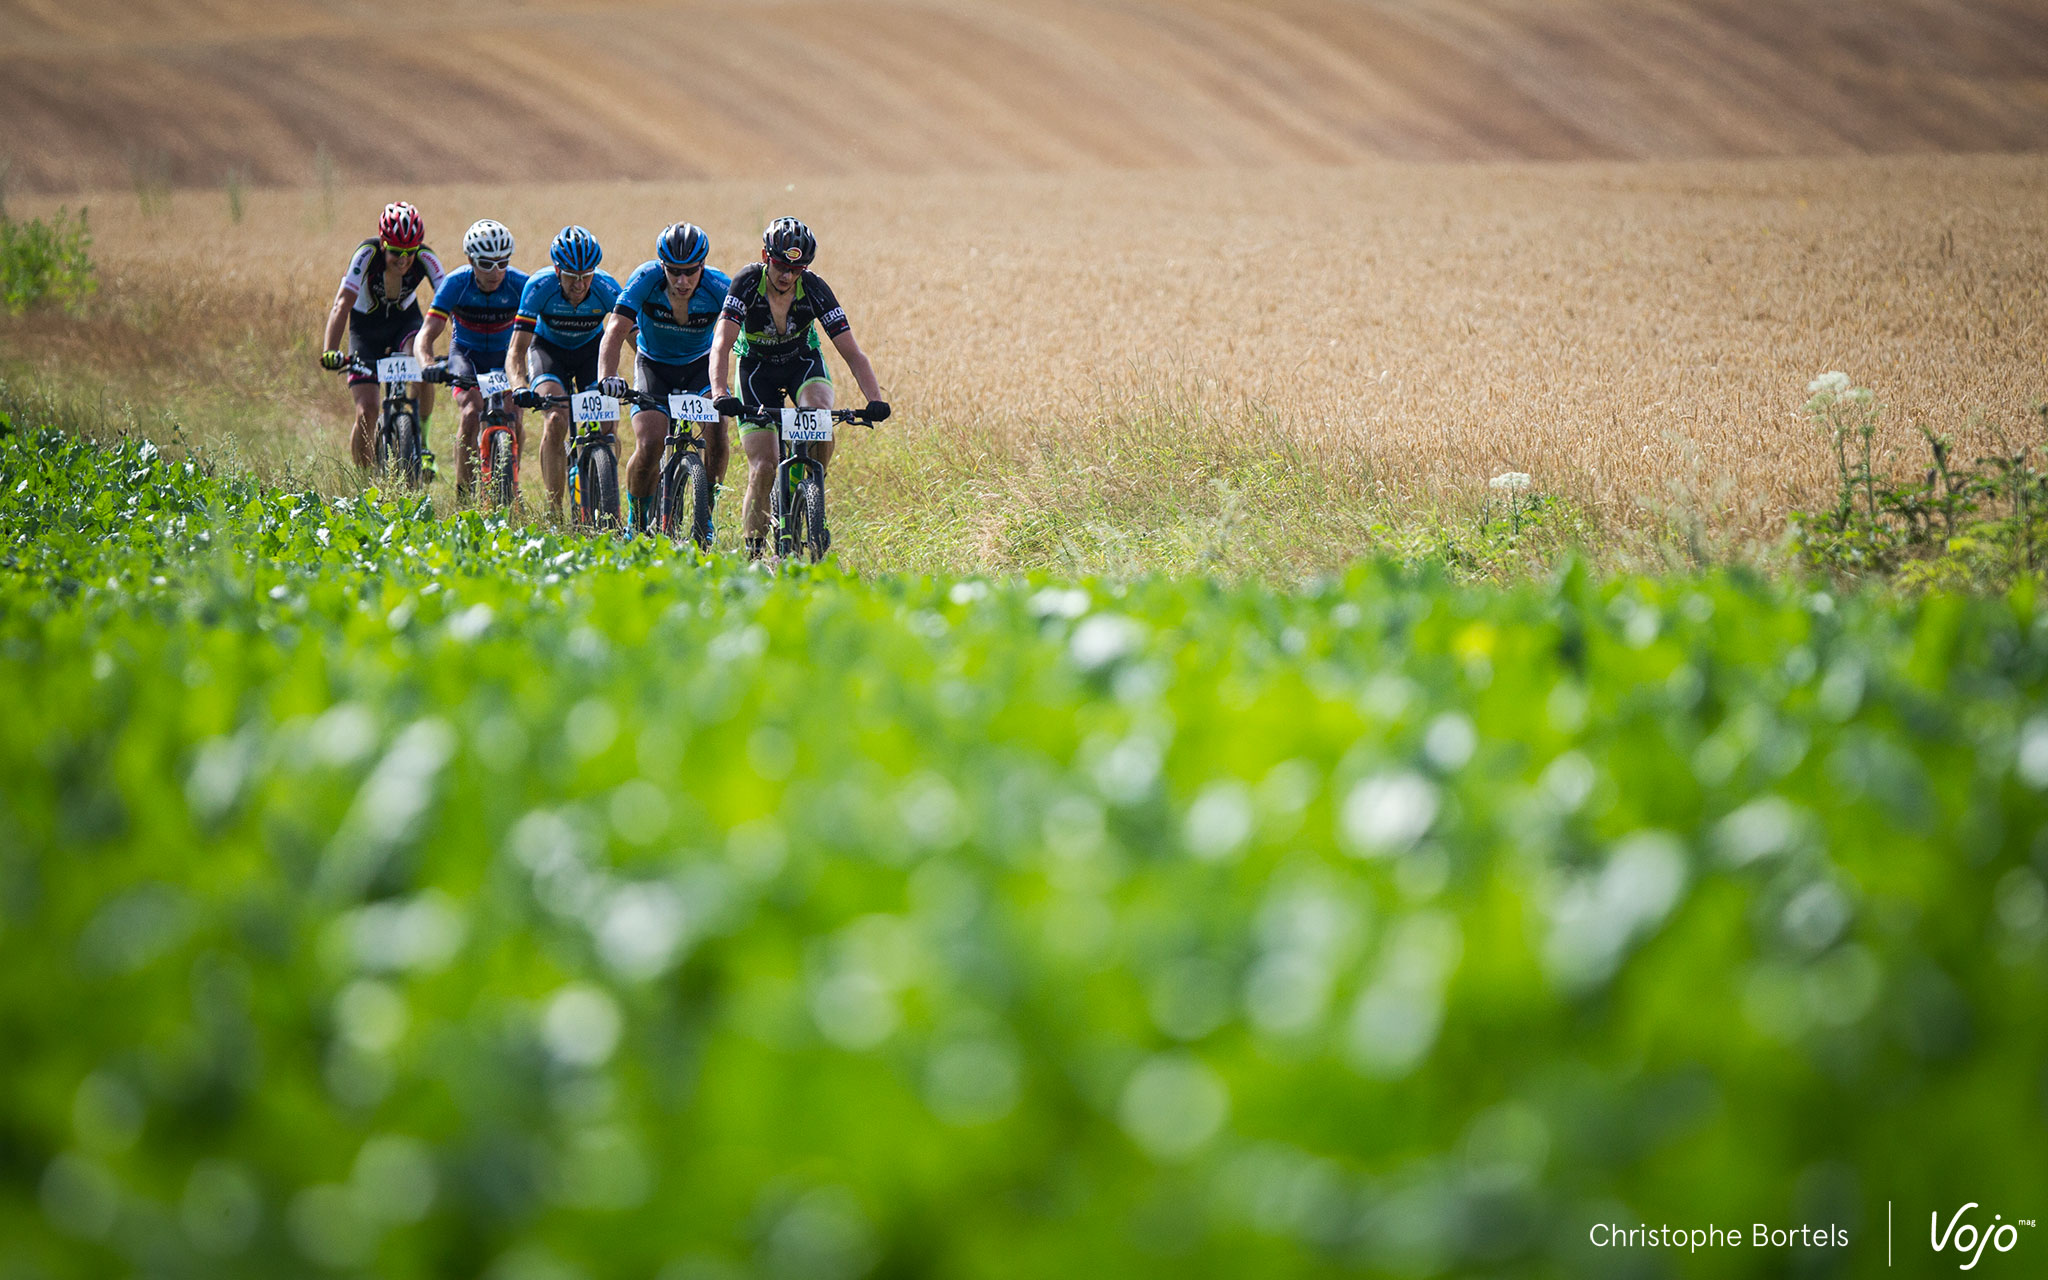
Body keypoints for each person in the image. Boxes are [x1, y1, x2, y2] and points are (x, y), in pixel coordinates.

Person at [708, 216, 890, 559]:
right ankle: (754, 552)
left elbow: (852, 352)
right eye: (780, 265)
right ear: (766, 256)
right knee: (764, 465)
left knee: (820, 417)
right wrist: (719, 392)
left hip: (801, 363)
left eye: (797, 268)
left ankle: (804, 492)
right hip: (756, 370)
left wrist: (875, 400)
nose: (788, 275)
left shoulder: (815, 287)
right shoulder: (747, 283)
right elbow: (721, 343)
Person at [595, 223, 732, 536]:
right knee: (650, 443)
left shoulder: (719, 286)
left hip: (700, 366)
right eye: (673, 272)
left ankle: (705, 511)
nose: (682, 281)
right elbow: (615, 330)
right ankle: (636, 518)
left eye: (690, 272)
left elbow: (744, 335)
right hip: (654, 366)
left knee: (718, 430)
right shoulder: (645, 279)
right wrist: (607, 377)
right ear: (662, 267)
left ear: (702, 266)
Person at [318, 202, 445, 473]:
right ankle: (364, 481)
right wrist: (330, 350)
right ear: (383, 244)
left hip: (405, 323)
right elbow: (342, 304)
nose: (403, 259)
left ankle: (424, 445)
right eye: (396, 251)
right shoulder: (366, 253)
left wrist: (458, 349)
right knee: (367, 410)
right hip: (366, 330)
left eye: (410, 252)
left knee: (423, 364)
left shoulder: (426, 258)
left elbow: (450, 302)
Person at [507, 226, 622, 518]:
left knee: (607, 425)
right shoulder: (538, 286)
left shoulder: (606, 287)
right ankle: (554, 509)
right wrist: (520, 386)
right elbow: (516, 352)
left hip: (590, 352)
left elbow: (637, 340)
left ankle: (605, 489)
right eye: (573, 275)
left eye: (587, 274)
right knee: (557, 417)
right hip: (549, 351)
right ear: (558, 270)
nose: (581, 283)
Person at [414, 219, 529, 500]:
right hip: (466, 355)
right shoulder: (456, 284)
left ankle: (511, 484)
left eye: (502, 263)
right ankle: (463, 494)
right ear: (470, 260)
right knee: (470, 412)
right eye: (486, 263)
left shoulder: (519, 284)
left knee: (515, 412)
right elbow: (425, 335)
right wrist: (427, 364)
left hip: (505, 356)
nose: (496, 271)